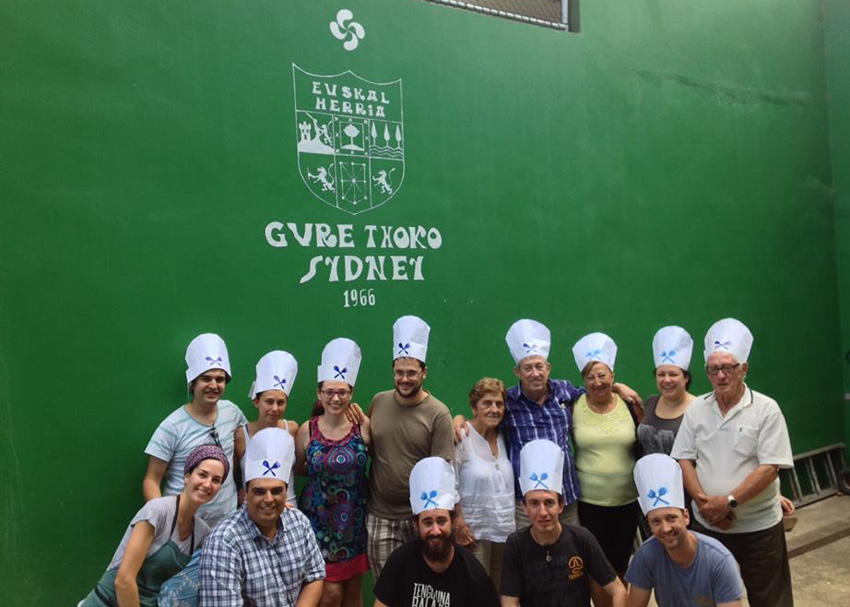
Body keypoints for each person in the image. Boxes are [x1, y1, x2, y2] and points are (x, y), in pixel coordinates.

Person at [453, 319, 642, 528]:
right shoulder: (509, 402)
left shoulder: (564, 391)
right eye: (528, 368)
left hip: (566, 497)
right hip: (527, 502)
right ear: (518, 372)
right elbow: (485, 414)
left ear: (548, 368)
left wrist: (616, 387)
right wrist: (459, 419)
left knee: (571, 556)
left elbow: (595, 390)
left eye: (539, 366)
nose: (535, 373)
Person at [671, 318, 795, 607]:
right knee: (706, 598)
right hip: (708, 526)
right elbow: (685, 459)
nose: (721, 375)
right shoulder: (697, 409)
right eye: (713, 369)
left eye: (728, 367)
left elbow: (769, 468)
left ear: (744, 369)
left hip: (758, 529)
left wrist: (727, 502)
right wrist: (705, 504)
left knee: (770, 599)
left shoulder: (766, 409)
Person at [80, 445, 230, 607]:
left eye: (216, 480)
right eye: (202, 474)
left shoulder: (201, 532)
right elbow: (123, 581)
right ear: (187, 476)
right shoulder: (157, 511)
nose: (207, 484)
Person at [366, 315, 455, 579]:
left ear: (424, 372)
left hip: (420, 519)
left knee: (421, 589)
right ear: (393, 371)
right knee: (388, 587)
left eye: (411, 373)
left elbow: (442, 472)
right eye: (399, 372)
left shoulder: (439, 414)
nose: (404, 379)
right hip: (380, 516)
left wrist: (432, 520)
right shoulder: (378, 402)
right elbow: (371, 450)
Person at [200, 427, 324, 606]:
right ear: (246, 493)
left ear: (286, 491)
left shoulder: (299, 522)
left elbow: (315, 576)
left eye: (276, 491)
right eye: (259, 492)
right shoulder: (224, 541)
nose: (268, 499)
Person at [501, 439, 626, 607]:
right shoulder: (516, 544)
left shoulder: (581, 538)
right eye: (534, 503)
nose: (543, 512)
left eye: (549, 503)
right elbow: (508, 601)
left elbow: (618, 589)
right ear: (524, 508)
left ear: (561, 506)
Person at [143, 333, 247, 527]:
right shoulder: (172, 426)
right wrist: (165, 523)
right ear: (193, 383)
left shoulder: (232, 412)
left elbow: (244, 455)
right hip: (184, 529)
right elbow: (151, 480)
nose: (214, 385)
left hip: (227, 526)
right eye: (206, 379)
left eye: (220, 379)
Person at [296, 338, 370, 607]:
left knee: (353, 595)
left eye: (342, 392)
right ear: (319, 394)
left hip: (354, 520)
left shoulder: (363, 426)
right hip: (318, 522)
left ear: (351, 393)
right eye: (329, 392)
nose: (335, 398)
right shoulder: (307, 430)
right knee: (328, 595)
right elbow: (298, 467)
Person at [373, 457, 499, 607]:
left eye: (441, 521)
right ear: (416, 525)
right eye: (427, 522)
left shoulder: (473, 573)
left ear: (452, 522)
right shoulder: (400, 560)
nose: (435, 531)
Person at [625, 453, 744, 607]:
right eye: (656, 521)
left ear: (686, 517)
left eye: (671, 518)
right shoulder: (646, 555)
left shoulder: (719, 560)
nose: (665, 528)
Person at [571, 332, 640, 579]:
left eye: (603, 375)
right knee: (596, 570)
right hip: (590, 502)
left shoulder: (629, 404)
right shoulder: (573, 405)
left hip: (627, 500)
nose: (598, 382)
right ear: (583, 380)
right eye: (591, 377)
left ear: (613, 375)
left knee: (622, 565)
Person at [452, 377, 514, 591]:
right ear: (474, 407)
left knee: (498, 587)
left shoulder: (506, 436)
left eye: (499, 404)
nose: (494, 409)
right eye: (487, 403)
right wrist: (458, 523)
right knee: (476, 590)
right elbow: (450, 483)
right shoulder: (462, 437)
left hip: (502, 529)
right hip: (471, 532)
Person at [234, 350, 300, 508]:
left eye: (281, 402)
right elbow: (231, 475)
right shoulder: (242, 435)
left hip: (289, 508)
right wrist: (239, 493)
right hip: (254, 510)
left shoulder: (291, 429)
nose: (275, 408)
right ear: (257, 401)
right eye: (269, 401)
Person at [637, 326, 697, 457]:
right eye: (661, 374)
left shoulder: (698, 408)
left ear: (686, 377)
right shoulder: (651, 402)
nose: (667, 380)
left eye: (673, 374)